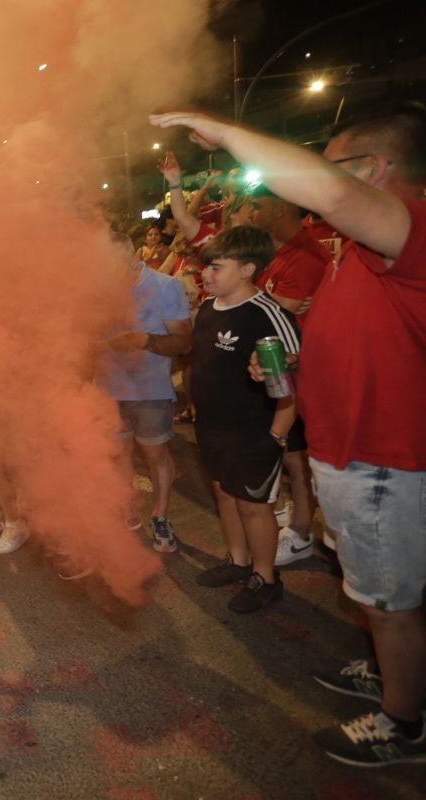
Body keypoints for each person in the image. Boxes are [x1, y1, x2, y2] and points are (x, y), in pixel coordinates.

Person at [153, 103, 425, 766]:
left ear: (378, 170)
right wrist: (297, 363)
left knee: (390, 602)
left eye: (334, 165)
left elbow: (329, 190)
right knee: (371, 592)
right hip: (347, 452)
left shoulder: (411, 223)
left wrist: (227, 136)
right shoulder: (353, 250)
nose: (313, 187)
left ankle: (404, 720)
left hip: (382, 457)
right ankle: (392, 673)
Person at [186, 226, 299, 614]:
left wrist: (276, 437)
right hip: (212, 427)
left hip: (254, 430)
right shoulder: (206, 309)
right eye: (206, 267)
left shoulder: (268, 314)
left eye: (217, 267)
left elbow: (294, 380)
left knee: (254, 506)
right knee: (224, 495)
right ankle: (237, 561)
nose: (206, 275)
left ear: (248, 268)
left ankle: (265, 578)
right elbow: (201, 364)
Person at [248, 184, 332, 568]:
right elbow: (270, 303)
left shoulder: (306, 252)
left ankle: (302, 532)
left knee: (303, 458)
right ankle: (295, 522)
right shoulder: (282, 252)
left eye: (257, 206)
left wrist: (255, 296)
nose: (251, 213)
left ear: (281, 208)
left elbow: (280, 308)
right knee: (292, 454)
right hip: (287, 367)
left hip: (306, 370)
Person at [99, 237, 192, 552]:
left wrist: (145, 341)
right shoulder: (96, 289)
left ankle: (161, 516)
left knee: (155, 456)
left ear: (132, 255)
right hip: (109, 389)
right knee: (119, 455)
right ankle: (126, 511)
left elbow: (184, 343)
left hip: (151, 390)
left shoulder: (165, 287)